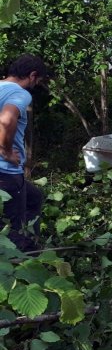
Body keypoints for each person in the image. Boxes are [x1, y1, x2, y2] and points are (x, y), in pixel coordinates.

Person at [0, 54, 49, 252]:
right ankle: (22, 264)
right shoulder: (20, 93)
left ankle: (29, 247)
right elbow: (6, 120)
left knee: (34, 197)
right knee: (15, 228)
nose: (36, 85)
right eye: (38, 81)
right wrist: (6, 151)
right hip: (6, 171)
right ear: (32, 75)